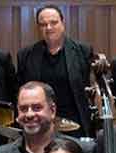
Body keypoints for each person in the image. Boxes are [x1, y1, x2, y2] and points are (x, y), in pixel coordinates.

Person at [17, 5, 95, 138]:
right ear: (38, 28)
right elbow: (20, 90)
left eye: (53, 23)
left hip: (75, 124)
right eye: (43, 24)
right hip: (39, 122)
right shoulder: (26, 54)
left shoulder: (83, 51)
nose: (48, 28)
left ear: (63, 23)